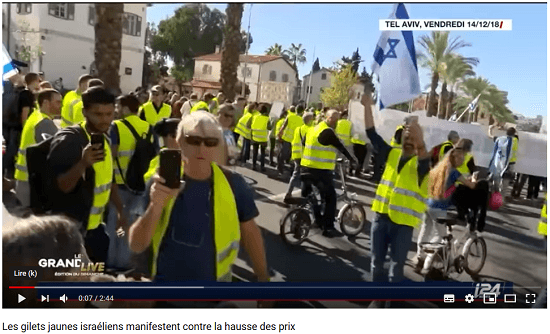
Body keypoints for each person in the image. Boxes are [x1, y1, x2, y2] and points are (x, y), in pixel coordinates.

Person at [128, 112, 270, 296]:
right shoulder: (160, 182)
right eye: (194, 140)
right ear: (179, 142)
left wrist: (263, 279)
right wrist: (156, 205)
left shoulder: (234, 185)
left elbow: (251, 233)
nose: (202, 148)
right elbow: (136, 245)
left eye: (210, 142)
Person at [47, 86, 125, 263]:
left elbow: (108, 179)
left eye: (109, 114)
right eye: (98, 114)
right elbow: (61, 187)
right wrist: (83, 163)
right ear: (84, 112)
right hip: (71, 235)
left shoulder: (103, 138)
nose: (105, 120)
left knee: (95, 284)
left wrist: (120, 211)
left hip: (96, 231)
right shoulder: (69, 140)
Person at [363, 90, 430, 284]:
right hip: (380, 218)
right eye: (406, 138)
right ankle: (377, 299)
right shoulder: (391, 153)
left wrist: (419, 139)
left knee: (396, 268)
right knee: (376, 263)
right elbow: (371, 133)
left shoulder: (422, 163)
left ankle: (390, 302)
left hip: (403, 225)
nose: (408, 141)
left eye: (412, 140)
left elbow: (425, 161)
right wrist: (367, 107)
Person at [107, 93, 156, 270]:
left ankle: (112, 263)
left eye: (118, 107)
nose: (116, 110)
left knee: (115, 224)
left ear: (126, 109)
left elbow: (111, 155)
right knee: (130, 225)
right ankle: (125, 263)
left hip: (119, 185)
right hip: (140, 185)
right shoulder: (148, 128)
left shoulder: (116, 127)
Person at [415, 147, 477, 274]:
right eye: (460, 158)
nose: (462, 160)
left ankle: (419, 258)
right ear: (454, 158)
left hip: (428, 204)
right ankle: (427, 262)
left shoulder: (439, 168)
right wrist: (475, 179)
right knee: (440, 236)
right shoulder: (454, 172)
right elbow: (471, 185)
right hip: (439, 207)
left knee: (425, 230)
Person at [300, 110, 356, 238]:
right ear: (327, 118)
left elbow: (304, 142)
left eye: (337, 119)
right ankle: (328, 228)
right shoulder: (328, 132)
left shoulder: (313, 129)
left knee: (311, 196)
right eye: (333, 119)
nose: (336, 122)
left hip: (305, 168)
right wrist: (353, 160)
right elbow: (340, 147)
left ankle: (318, 220)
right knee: (331, 198)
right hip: (320, 171)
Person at [14, 89, 61, 208]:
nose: (61, 106)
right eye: (58, 102)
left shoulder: (35, 115)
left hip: (25, 178)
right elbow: (55, 153)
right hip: (32, 183)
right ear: (46, 103)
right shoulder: (44, 123)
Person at [284, 111, 314, 202]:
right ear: (310, 120)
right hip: (306, 156)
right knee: (307, 176)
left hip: (297, 154)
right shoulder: (311, 130)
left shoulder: (298, 129)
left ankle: (288, 193)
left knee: (295, 174)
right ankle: (306, 197)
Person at [487, 125, 516, 194]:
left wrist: (490, 128)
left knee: (496, 182)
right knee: (504, 185)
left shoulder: (500, 139)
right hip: (509, 164)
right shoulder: (515, 140)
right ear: (514, 133)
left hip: (498, 163)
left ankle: (494, 198)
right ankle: (501, 199)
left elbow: (490, 135)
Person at [278, 105, 304, 176]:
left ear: (295, 109)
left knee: (282, 155)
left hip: (286, 139)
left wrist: (279, 135)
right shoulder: (302, 120)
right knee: (292, 156)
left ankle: (280, 169)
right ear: (302, 111)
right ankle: (291, 171)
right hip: (295, 141)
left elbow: (283, 127)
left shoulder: (289, 116)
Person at [251, 104, 270, 172]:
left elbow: (251, 126)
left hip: (255, 137)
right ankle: (262, 167)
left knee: (255, 152)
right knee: (262, 153)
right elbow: (269, 127)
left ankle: (254, 165)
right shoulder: (267, 118)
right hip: (263, 139)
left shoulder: (255, 116)